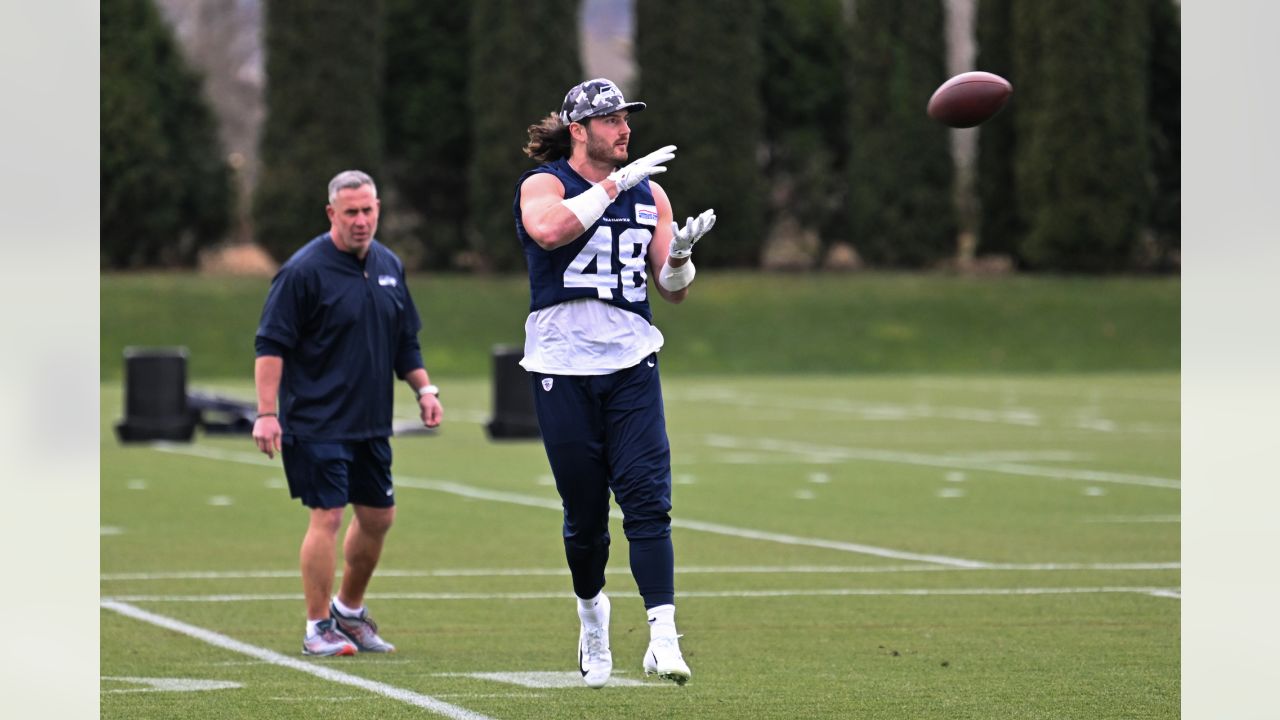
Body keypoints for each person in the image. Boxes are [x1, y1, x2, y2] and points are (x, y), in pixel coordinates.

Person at [513, 78, 716, 688]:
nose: (625, 128)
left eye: (626, 117)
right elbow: (549, 231)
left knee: (649, 502)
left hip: (631, 363)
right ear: (579, 130)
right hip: (563, 365)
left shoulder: (650, 192)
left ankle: (662, 636)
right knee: (584, 517)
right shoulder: (545, 182)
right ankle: (592, 615)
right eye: (610, 120)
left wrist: (678, 254)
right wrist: (613, 186)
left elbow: (672, 293)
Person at [252, 169, 443, 657]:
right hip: (316, 421)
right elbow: (270, 346)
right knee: (328, 516)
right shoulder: (302, 271)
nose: (361, 220)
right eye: (351, 212)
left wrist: (424, 389)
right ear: (332, 213)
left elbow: (405, 340)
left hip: (370, 422)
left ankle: (349, 613)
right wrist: (266, 413)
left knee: (379, 516)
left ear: (379, 209)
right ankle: (317, 627)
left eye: (368, 210)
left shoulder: (388, 265)